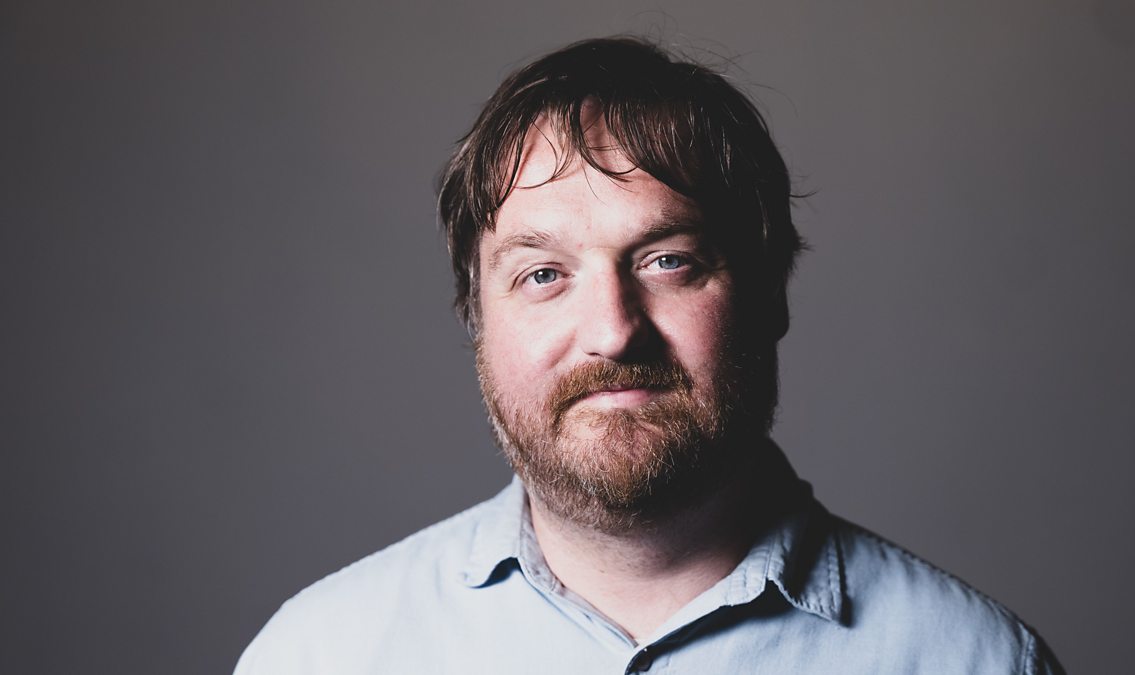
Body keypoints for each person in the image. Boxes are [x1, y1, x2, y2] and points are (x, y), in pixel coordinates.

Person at [234, 37, 1063, 674]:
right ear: (477, 319)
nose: (613, 329)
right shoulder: (317, 656)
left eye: (668, 261)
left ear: (769, 293)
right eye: (543, 273)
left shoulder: (978, 661)